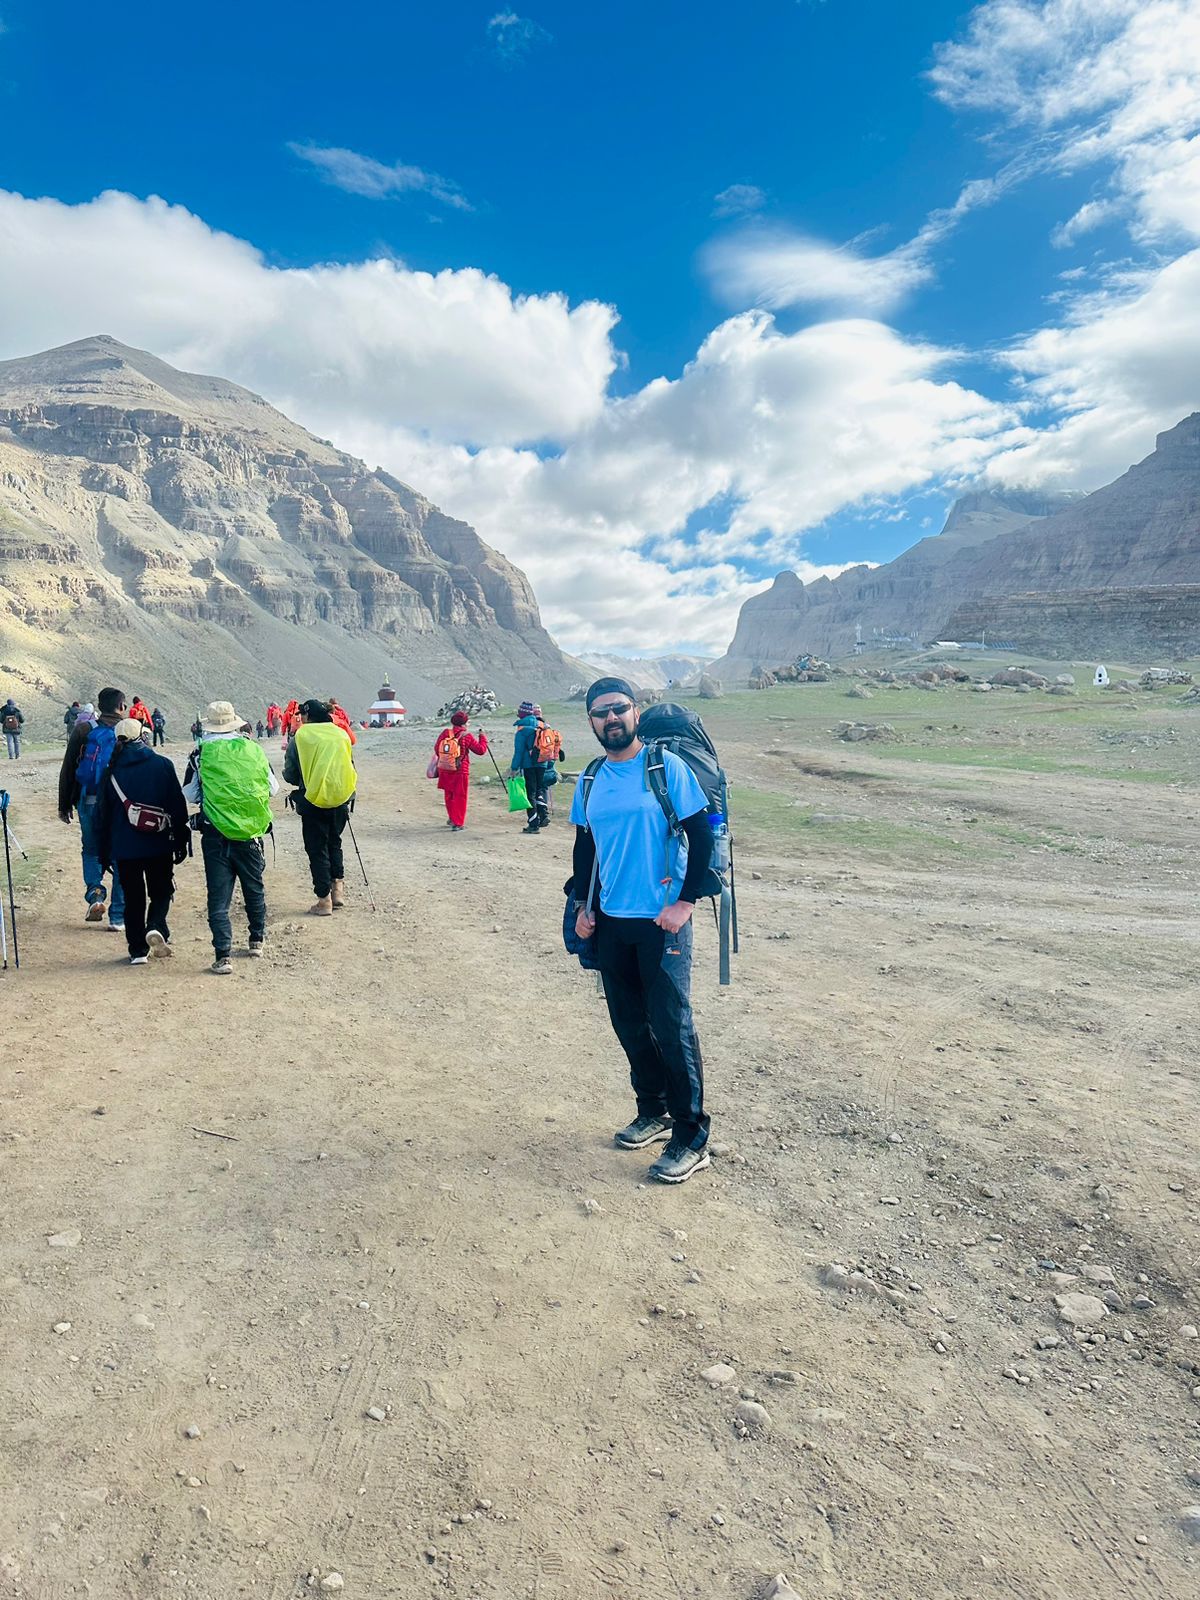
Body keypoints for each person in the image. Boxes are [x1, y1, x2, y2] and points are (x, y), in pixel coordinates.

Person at [569, 677, 714, 1185]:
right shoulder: (589, 779)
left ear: (635, 712)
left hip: (662, 923)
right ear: (590, 721)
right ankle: (653, 1110)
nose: (611, 719)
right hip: (611, 922)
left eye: (619, 709)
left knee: (672, 1028)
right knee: (629, 1023)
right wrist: (583, 908)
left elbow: (700, 835)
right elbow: (586, 848)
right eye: (600, 712)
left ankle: (692, 1136)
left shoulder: (664, 768)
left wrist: (685, 902)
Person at [183, 701, 277, 976]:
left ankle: (223, 955)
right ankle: (256, 940)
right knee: (254, 888)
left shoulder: (201, 753)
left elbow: (189, 794)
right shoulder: (254, 749)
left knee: (219, 897)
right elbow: (272, 787)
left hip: (215, 834)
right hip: (250, 833)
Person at [95, 719, 188, 965]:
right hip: (159, 843)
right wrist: (180, 839)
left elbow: (101, 817)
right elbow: (177, 807)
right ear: (142, 737)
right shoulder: (163, 765)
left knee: (133, 897)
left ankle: (137, 950)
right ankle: (156, 925)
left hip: (125, 848)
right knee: (162, 890)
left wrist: (104, 852)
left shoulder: (110, 772)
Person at [59, 686, 128, 931]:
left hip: (88, 800)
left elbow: (69, 768)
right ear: (121, 707)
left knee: (90, 850)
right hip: (120, 804)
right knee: (121, 855)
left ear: (100, 707)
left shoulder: (84, 729)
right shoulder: (127, 731)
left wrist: (64, 804)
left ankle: (96, 895)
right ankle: (118, 917)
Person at [283, 698, 357, 915]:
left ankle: (324, 900)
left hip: (313, 799)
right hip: (341, 797)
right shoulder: (341, 733)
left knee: (317, 848)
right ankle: (338, 891)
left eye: (302, 716)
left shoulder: (301, 736)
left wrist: (303, 779)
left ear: (307, 716)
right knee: (335, 841)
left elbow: (290, 773)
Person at [433, 711, 488, 830]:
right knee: (460, 796)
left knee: (449, 795)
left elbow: (437, 748)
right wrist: (482, 736)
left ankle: (452, 818)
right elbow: (480, 750)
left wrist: (447, 759)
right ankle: (458, 822)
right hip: (460, 770)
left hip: (445, 768)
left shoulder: (445, 733)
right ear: (464, 724)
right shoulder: (466, 736)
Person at [511, 701, 549, 834]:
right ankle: (543, 815)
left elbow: (519, 752)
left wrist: (513, 768)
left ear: (521, 714)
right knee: (539, 789)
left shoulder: (522, 730)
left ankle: (533, 824)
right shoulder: (542, 725)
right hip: (543, 762)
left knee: (530, 793)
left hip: (529, 765)